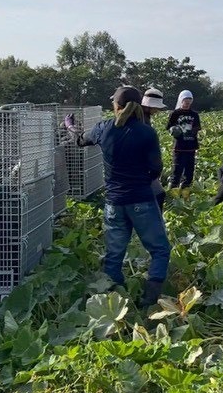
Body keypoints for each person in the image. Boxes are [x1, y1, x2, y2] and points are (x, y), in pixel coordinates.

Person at [65, 86, 171, 307]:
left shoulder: (104, 128)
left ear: (116, 106)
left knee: (114, 254)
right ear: (137, 106)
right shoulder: (146, 132)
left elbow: (80, 140)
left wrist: (69, 125)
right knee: (160, 250)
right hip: (141, 199)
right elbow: (156, 169)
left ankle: (115, 300)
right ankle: (149, 300)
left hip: (114, 202)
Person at [166, 89, 201, 193]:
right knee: (176, 171)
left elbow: (197, 128)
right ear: (181, 100)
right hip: (179, 147)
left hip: (191, 146)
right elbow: (169, 127)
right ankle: (172, 195)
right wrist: (174, 130)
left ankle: (185, 194)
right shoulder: (175, 113)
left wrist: (190, 131)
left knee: (189, 172)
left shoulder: (194, 114)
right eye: (185, 101)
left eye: (189, 102)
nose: (187, 104)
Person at [141, 87, 169, 210]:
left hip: (143, 167)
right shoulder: (142, 120)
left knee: (158, 194)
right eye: (155, 107)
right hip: (142, 168)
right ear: (148, 105)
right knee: (158, 195)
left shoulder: (144, 117)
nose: (157, 110)